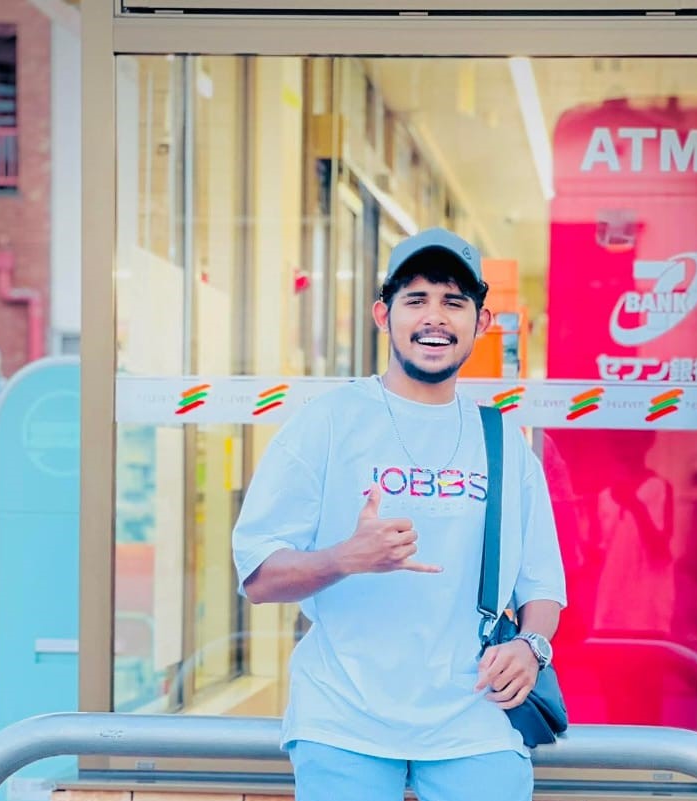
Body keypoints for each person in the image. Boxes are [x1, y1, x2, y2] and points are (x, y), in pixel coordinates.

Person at [232, 227, 567, 801]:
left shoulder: (504, 442)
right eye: (416, 299)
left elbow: (542, 584)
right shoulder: (327, 422)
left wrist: (530, 647)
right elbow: (258, 578)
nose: (435, 317)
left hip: (476, 716)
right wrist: (344, 558)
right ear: (383, 315)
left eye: (454, 301)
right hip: (343, 716)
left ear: (482, 323)